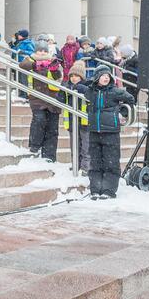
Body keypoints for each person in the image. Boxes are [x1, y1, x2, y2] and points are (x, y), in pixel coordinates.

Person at [78, 65, 135, 199]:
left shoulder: (115, 91)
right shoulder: (91, 92)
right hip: (94, 131)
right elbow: (82, 87)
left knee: (111, 162)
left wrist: (122, 113)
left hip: (111, 132)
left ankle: (109, 190)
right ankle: (95, 189)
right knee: (95, 163)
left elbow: (131, 99)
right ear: (97, 77)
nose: (105, 78)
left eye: (108, 76)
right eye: (103, 75)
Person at [20, 40, 63, 161]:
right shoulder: (30, 59)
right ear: (35, 51)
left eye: (45, 50)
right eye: (40, 50)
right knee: (39, 120)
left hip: (53, 98)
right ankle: (35, 145)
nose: (42, 53)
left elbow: (59, 77)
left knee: (52, 128)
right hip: (37, 97)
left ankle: (49, 155)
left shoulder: (53, 61)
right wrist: (36, 65)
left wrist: (54, 70)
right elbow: (22, 65)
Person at [57, 61, 90, 175]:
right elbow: (59, 100)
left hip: (84, 122)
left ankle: (86, 167)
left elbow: (91, 97)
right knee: (74, 146)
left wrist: (82, 89)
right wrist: (62, 89)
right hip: (72, 121)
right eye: (72, 76)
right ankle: (76, 165)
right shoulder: (67, 86)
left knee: (86, 147)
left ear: (81, 77)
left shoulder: (87, 86)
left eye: (77, 76)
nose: (74, 78)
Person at [9, 29, 34, 99]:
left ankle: (25, 94)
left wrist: (23, 51)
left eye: (19, 35)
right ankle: (20, 92)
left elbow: (31, 52)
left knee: (23, 79)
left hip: (24, 64)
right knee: (19, 79)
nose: (18, 36)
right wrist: (12, 45)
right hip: (18, 63)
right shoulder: (20, 42)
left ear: (23, 36)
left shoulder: (28, 43)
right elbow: (16, 51)